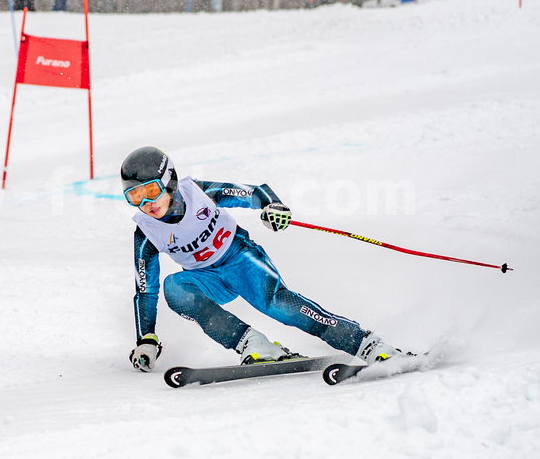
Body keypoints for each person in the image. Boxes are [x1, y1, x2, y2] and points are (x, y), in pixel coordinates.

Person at [120, 146, 407, 372]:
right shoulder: (146, 232)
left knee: (278, 305)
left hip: (240, 258)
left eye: (152, 191)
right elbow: (145, 290)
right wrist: (146, 338)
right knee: (174, 287)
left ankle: (366, 344)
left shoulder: (199, 194)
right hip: (207, 279)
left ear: (168, 182)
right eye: (135, 196)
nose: (147, 203)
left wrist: (272, 205)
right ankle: (253, 344)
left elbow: (254, 193)